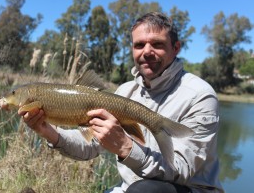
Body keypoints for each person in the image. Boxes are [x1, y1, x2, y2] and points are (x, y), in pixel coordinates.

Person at [18, 12, 223, 193]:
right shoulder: (125, 91)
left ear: (176, 48)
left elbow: (182, 171)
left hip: (186, 190)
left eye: (157, 44)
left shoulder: (200, 95)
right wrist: (47, 131)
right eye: (139, 45)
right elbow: (90, 146)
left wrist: (126, 147)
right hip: (130, 189)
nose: (147, 51)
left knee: (145, 190)